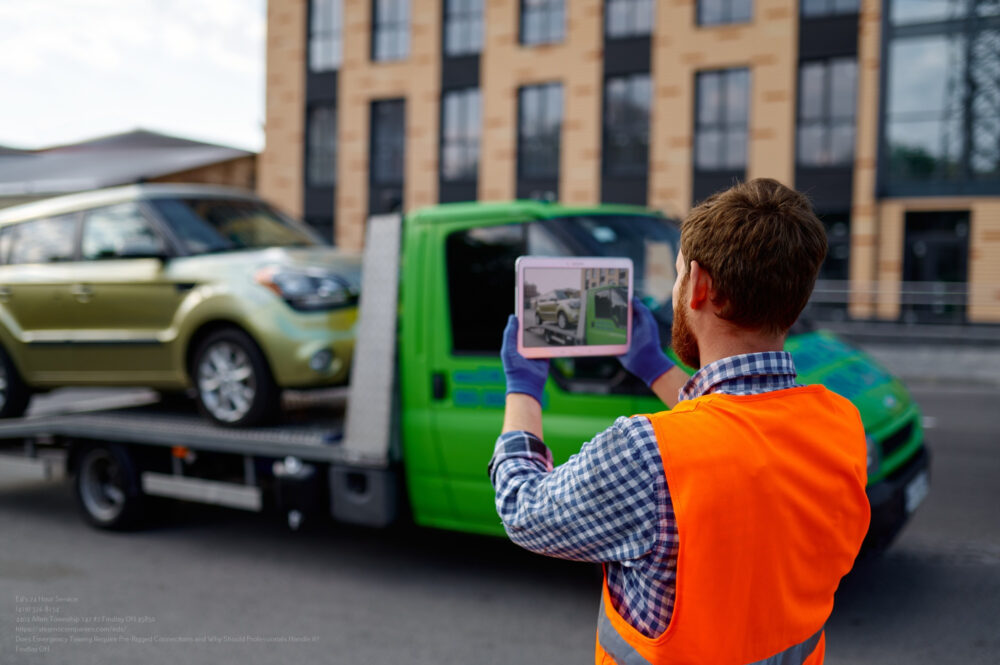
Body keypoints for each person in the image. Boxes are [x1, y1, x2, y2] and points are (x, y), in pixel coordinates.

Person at [489, 178, 871, 664]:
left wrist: (522, 388)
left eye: (677, 276)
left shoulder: (643, 451)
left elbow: (524, 510)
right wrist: (654, 368)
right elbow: (736, 437)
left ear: (700, 286)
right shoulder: (840, 424)